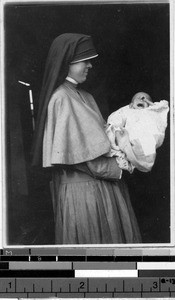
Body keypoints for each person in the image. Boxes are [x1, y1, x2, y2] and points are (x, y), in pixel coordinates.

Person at [32, 33, 141, 244]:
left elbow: (103, 143)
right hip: (84, 196)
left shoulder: (86, 96)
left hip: (103, 189)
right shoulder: (61, 98)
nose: (90, 65)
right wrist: (124, 165)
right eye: (85, 60)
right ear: (67, 61)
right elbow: (82, 159)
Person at [106, 92, 169, 172]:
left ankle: (139, 163)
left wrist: (150, 104)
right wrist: (118, 128)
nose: (142, 99)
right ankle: (126, 160)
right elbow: (116, 118)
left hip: (147, 137)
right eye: (138, 98)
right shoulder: (128, 110)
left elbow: (162, 107)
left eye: (145, 99)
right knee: (117, 137)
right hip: (132, 137)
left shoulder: (150, 111)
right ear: (131, 104)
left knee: (146, 155)